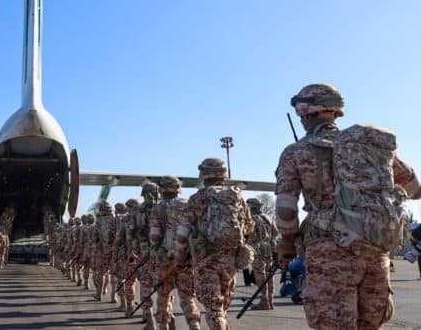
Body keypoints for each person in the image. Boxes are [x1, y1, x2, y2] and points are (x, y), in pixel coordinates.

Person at [275, 83, 420, 330]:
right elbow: (415, 190)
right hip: (374, 250)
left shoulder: (296, 152)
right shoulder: (371, 149)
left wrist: (287, 243)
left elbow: (286, 209)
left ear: (306, 111)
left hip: (328, 252)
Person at [174, 158, 253, 330]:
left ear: (203, 174)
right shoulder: (236, 196)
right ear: (223, 175)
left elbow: (182, 234)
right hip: (230, 260)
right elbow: (248, 227)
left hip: (205, 260)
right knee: (222, 306)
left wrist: (180, 259)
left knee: (213, 308)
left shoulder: (197, 199)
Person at [149, 176, 200, 330]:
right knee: (187, 297)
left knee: (163, 296)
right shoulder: (189, 204)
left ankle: (164, 325)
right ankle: (194, 324)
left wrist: (155, 249)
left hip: (165, 259)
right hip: (187, 259)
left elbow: (154, 236)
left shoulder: (158, 208)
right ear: (178, 188)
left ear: (161, 190)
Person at [134, 182, 160, 323]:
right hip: (163, 254)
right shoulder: (164, 207)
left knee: (145, 285)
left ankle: (149, 317)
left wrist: (135, 250)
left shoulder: (138, 211)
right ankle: (167, 314)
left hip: (144, 253)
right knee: (163, 288)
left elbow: (131, 233)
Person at [246, 197, 278, 310]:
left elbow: (246, 232)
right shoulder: (267, 218)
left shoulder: (252, 218)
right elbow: (275, 232)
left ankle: (264, 301)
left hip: (257, 248)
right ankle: (270, 300)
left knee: (260, 274)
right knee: (269, 273)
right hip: (268, 247)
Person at [113, 198, 140, 317]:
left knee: (129, 282)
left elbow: (118, 240)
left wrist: (114, 256)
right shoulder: (147, 216)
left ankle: (128, 307)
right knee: (146, 285)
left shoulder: (126, 220)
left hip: (129, 256)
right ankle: (147, 314)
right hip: (146, 256)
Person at [92, 201, 114, 301]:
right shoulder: (116, 220)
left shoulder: (99, 221)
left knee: (101, 273)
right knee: (114, 274)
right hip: (115, 252)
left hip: (103, 251)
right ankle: (114, 296)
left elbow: (95, 237)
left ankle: (99, 293)